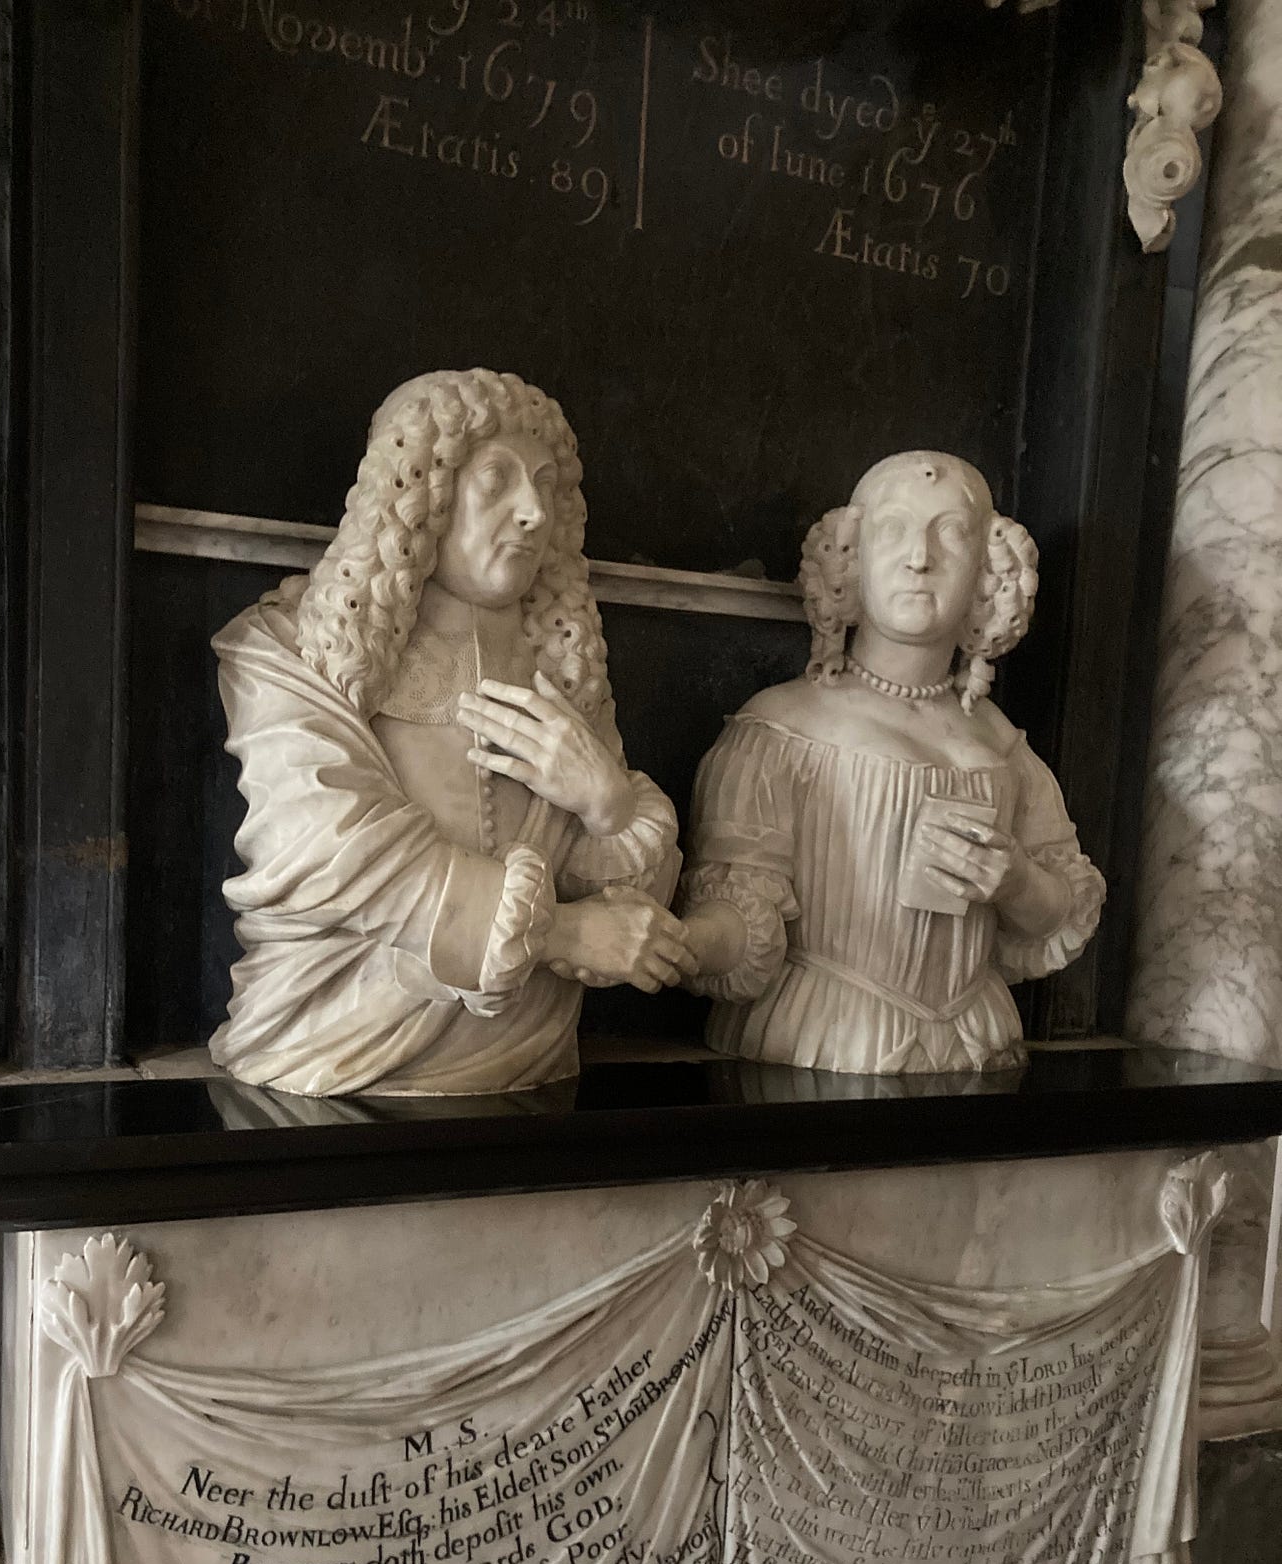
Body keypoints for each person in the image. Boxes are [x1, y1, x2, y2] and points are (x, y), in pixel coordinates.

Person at [210, 369, 688, 1096]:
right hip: (337, 1049)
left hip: (533, 1063)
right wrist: (558, 931)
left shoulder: (562, 670)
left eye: (545, 484)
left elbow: (634, 919)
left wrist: (609, 803)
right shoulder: (289, 648)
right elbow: (328, 846)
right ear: (420, 491)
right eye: (497, 478)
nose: (533, 511)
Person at [679, 451, 1104, 1075]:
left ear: (988, 571)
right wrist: (683, 944)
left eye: (950, 533)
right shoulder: (781, 730)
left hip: (978, 1046)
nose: (919, 558)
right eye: (895, 528)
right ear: (850, 556)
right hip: (823, 1039)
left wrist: (1016, 882)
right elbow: (742, 915)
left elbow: (1062, 911)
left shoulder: (1002, 745)